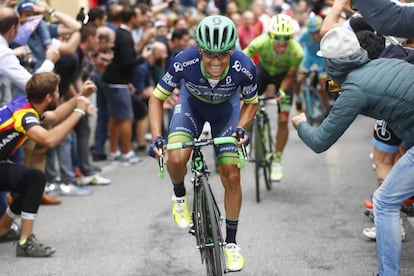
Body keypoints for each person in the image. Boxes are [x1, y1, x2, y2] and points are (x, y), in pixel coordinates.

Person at [291, 26, 414, 276]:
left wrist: (300, 123)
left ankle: (387, 273)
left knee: (384, 201)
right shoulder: (381, 64)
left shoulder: (354, 89)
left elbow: (319, 142)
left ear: (331, 64)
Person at [147, 15, 258, 272]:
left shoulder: (245, 66)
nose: (216, 62)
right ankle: (179, 196)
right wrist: (156, 137)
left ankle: (231, 243)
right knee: (176, 158)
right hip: (190, 108)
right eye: (210, 55)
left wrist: (242, 127)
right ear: (200, 50)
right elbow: (155, 99)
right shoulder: (184, 60)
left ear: (232, 50)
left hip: (226, 112)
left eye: (223, 55)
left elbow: (251, 102)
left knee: (231, 174)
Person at [0, 72, 97, 257]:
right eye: (57, 91)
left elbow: (53, 117)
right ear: (48, 97)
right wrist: (79, 112)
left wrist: (80, 96)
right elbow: (49, 140)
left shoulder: (27, 104)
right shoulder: (25, 115)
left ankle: (3, 229)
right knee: (35, 179)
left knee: (32, 180)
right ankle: (25, 242)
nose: (59, 94)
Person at [243, 13, 304, 182]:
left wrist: (282, 91)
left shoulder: (296, 52)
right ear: (271, 36)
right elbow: (240, 59)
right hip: (262, 74)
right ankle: (244, 137)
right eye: (278, 39)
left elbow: (290, 76)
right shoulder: (260, 42)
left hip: (283, 78)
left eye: (286, 39)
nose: (283, 43)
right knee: (245, 102)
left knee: (283, 119)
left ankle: (277, 160)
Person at [296, 12, 329, 114]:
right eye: (311, 32)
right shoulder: (304, 35)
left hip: (321, 60)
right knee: (298, 80)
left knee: (324, 86)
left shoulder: (326, 34)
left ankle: (326, 108)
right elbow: (297, 46)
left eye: (317, 32)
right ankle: (298, 99)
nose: (315, 35)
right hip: (308, 60)